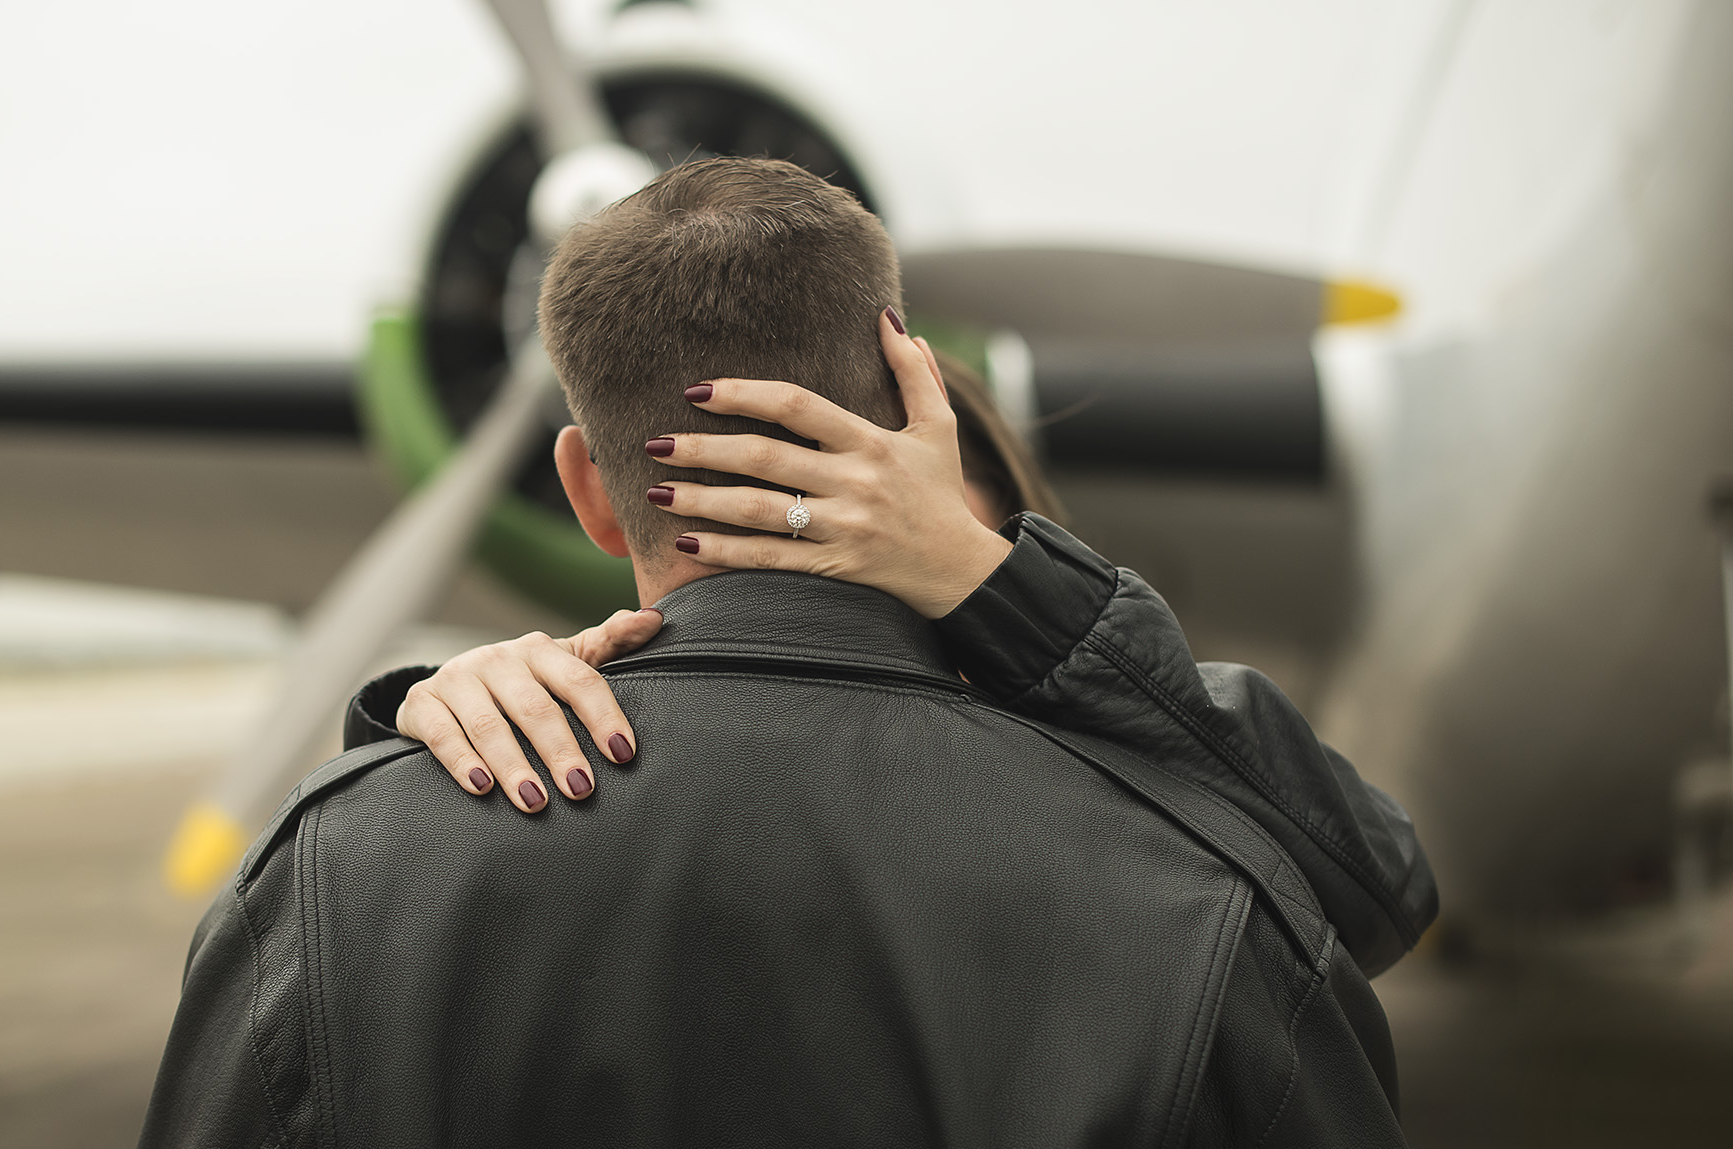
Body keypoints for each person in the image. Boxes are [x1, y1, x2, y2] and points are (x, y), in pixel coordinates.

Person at [122, 157, 1473, 1149]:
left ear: (589, 491)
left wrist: (380, 793)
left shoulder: (326, 884)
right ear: (914, 430)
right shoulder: (1208, 900)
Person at [346, 354, 1431, 980]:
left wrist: (1009, 593)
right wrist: (426, 731)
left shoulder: (1141, 841)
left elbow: (1377, 889)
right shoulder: (584, 750)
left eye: (929, 565)